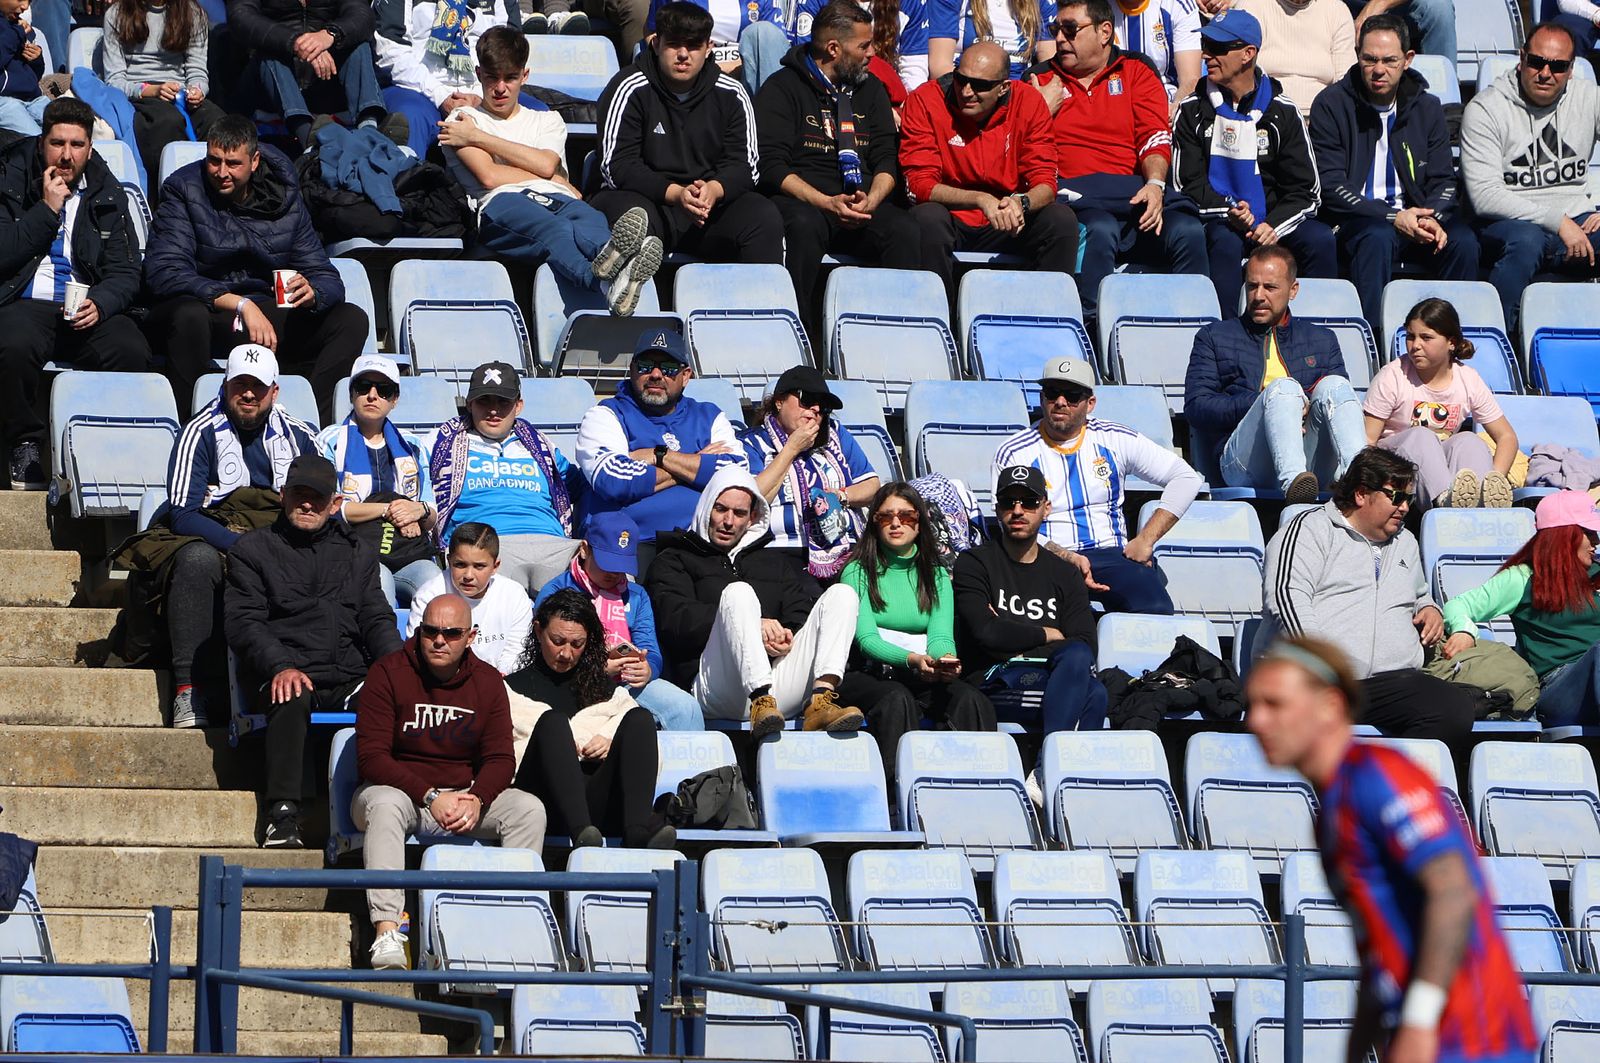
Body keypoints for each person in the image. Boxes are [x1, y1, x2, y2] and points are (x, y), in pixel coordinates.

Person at [1245, 636, 1537, 1063]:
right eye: (1253, 704)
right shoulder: (1331, 812)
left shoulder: (1378, 776)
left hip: (1473, 1041)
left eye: (1274, 704)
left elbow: (1454, 893)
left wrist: (1419, 1022)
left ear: (1328, 705)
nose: (1255, 721)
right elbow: (1378, 949)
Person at [354, 593, 546, 969]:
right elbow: (372, 758)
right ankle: (388, 930)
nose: (439, 640)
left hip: (462, 796)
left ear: (470, 637)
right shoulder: (388, 672)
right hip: (403, 795)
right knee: (384, 804)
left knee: (528, 809)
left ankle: (511, 929)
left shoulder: (488, 682)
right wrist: (428, 795)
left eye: (451, 633)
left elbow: (500, 758)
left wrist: (477, 798)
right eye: (431, 631)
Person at [226, 453, 403, 848]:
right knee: (290, 691)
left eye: (318, 498)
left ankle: (379, 808)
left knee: (389, 695)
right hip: (286, 669)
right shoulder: (251, 551)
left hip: (346, 674)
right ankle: (283, 815)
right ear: (283, 496)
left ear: (336, 504)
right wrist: (280, 665)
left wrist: (396, 669)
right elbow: (244, 622)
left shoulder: (358, 551)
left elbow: (376, 617)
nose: (308, 505)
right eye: (300, 496)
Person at [143, 115, 368, 424]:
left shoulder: (285, 197)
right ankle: (195, 426)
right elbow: (165, 272)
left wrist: (313, 292)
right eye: (214, 161)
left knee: (350, 319)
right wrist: (240, 304)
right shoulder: (182, 190)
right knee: (187, 316)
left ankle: (309, 421)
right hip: (208, 309)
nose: (221, 172)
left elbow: (326, 277)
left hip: (265, 314)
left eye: (233, 164)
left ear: (255, 160)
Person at [1258, 446, 1480, 744]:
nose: (1404, 508)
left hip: (1385, 684)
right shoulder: (1308, 530)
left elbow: (1418, 594)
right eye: (1396, 497)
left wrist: (1429, 609)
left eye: (1409, 499)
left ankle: (1394, 785)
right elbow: (1286, 598)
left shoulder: (1406, 542)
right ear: (1361, 494)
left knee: (1454, 708)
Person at [440, 26, 663, 317]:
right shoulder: (462, 120)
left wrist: (480, 138)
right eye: (492, 78)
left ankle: (621, 265)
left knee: (591, 219)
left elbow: (545, 162)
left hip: (558, 198)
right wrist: (554, 178)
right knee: (555, 228)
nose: (500, 88)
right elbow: (490, 177)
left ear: (525, 76)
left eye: (510, 78)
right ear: (479, 75)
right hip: (501, 202)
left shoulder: (546, 120)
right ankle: (606, 285)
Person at [161, 344, 318, 728]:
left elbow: (321, 503)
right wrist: (242, 547)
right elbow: (183, 514)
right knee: (195, 561)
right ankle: (189, 689)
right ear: (226, 385)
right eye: (240, 384)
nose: (248, 394)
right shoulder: (198, 432)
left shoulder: (300, 435)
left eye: (258, 386)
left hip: (283, 536)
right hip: (219, 535)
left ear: (274, 392)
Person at [0, 97, 150, 491]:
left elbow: (125, 271)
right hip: (22, 298)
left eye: (77, 145)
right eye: (57, 143)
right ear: (41, 142)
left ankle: (104, 444)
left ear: (90, 147)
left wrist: (101, 303)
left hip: (83, 302)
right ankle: (25, 442)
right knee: (12, 343)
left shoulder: (106, 190)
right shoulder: (10, 176)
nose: (66, 156)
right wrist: (47, 210)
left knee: (130, 347)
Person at [646, 465, 865, 732]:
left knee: (843, 594)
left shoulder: (773, 561)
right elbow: (674, 622)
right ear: (706, 509)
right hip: (715, 686)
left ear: (752, 518)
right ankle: (760, 697)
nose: (729, 521)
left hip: (778, 687)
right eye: (721, 509)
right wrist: (753, 626)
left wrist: (784, 636)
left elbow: (800, 611)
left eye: (739, 513)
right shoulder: (673, 558)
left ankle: (821, 699)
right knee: (739, 593)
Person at [1026, 0, 1206, 322]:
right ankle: (1089, 332)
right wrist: (1038, 111)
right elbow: (1024, 155)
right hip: (1076, 203)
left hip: (1136, 198)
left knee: (1189, 230)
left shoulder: (1137, 69)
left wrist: (1154, 184)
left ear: (1104, 32)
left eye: (1071, 30)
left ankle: (1193, 330)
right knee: (1101, 227)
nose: (1060, 40)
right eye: (1056, 30)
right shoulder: (1038, 81)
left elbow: (1154, 136)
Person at [754, 2, 922, 347]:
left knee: (905, 229)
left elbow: (887, 159)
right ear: (834, 48)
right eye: (864, 46)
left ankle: (895, 338)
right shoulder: (782, 88)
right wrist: (826, 202)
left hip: (861, 201)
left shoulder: (871, 89)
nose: (872, 54)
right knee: (803, 225)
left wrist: (873, 199)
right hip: (806, 200)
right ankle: (800, 340)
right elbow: (772, 167)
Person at [1308, 14, 1480, 338]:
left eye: (1389, 60)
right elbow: (1331, 186)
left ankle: (1453, 341)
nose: (1378, 69)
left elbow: (1444, 181)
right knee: (1378, 237)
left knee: (1463, 242)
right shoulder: (1331, 105)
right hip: (1356, 219)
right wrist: (1392, 216)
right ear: (1358, 56)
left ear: (1408, 60)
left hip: (1417, 218)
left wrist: (1431, 217)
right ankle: (1371, 339)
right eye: (1369, 59)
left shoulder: (1427, 107)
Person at [993, 356, 1202, 613]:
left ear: (1090, 403)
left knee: (1155, 609)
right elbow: (1008, 520)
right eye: (1052, 393)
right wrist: (1068, 557)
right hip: (1045, 553)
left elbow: (1187, 478)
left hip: (1111, 554)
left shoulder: (1115, 438)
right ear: (1041, 398)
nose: (1060, 402)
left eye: (1071, 395)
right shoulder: (1015, 452)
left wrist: (1146, 539)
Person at [592, 2, 785, 267]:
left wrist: (714, 190)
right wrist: (676, 194)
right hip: (648, 200)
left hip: (707, 208)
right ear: (656, 44)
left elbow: (745, 166)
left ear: (709, 49)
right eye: (674, 45)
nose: (683, 54)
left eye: (694, 46)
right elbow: (617, 166)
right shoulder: (629, 87)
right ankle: (626, 296)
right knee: (631, 218)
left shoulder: (732, 94)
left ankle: (760, 307)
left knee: (762, 217)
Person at [1172, 9, 1338, 314]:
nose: (1207, 56)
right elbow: (1185, 184)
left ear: (1248, 54)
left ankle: (1317, 332)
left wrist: (1272, 226)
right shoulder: (1192, 110)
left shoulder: (1283, 112)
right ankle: (1222, 333)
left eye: (1218, 49)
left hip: (1274, 220)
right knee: (1224, 241)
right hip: (1219, 218)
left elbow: (1306, 191)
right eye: (1206, 46)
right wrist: (1230, 209)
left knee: (1320, 239)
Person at [900, 40, 1079, 301]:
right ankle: (937, 321)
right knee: (925, 218)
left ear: (1003, 88)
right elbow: (919, 185)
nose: (967, 91)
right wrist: (980, 200)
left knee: (1060, 221)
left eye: (981, 85)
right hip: (953, 217)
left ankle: (1045, 320)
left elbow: (1045, 182)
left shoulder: (1028, 102)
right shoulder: (925, 100)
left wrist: (1021, 203)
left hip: (1007, 219)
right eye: (960, 79)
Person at [1184, 245, 1365, 501]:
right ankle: (1294, 487)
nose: (1258, 296)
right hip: (1244, 462)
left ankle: (1362, 480)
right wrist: (1265, 401)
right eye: (1251, 286)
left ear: (1293, 290)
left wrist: (1302, 407)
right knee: (1283, 389)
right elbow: (1197, 407)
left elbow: (1335, 409)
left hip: (1309, 457)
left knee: (1335, 385)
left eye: (1270, 287)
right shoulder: (1214, 337)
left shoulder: (1322, 340)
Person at [841, 482, 997, 775]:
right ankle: (895, 797)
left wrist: (945, 661)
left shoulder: (936, 574)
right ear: (874, 523)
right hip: (868, 672)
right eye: (885, 516)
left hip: (920, 672)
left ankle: (979, 786)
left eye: (907, 516)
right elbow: (866, 639)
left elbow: (939, 637)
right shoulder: (857, 571)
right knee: (896, 700)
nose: (896, 523)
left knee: (971, 701)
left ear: (920, 523)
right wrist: (912, 659)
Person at [1460, 21, 1600, 336]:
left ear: (1571, 68)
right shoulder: (1486, 109)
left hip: (1578, 220)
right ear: (1521, 58)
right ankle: (1495, 341)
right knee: (1528, 242)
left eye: (1558, 66)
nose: (1546, 73)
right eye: (1537, 62)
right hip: (1507, 222)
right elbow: (1485, 197)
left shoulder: (1588, 99)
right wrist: (1559, 222)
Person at [507, 589, 675, 849]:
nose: (566, 653)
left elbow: (649, 752)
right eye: (557, 640)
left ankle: (638, 833)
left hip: (597, 802)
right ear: (539, 631)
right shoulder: (509, 689)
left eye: (577, 644)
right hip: (541, 801)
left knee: (640, 718)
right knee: (553, 723)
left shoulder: (604, 689)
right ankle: (582, 836)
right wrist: (566, 743)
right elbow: (506, 756)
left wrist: (611, 742)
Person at [954, 466, 1104, 733]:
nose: (1018, 510)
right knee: (1092, 695)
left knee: (1083, 667)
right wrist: (1049, 634)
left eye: (1029, 502)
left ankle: (1048, 765)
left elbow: (1084, 643)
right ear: (998, 508)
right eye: (1009, 502)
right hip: (994, 680)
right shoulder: (974, 563)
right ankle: (1052, 767)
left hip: (1053, 676)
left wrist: (1012, 640)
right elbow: (986, 634)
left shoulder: (1065, 574)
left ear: (1046, 508)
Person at [576, 328, 747, 550]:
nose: (656, 375)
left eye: (668, 368)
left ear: (686, 376)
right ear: (632, 370)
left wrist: (658, 456)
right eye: (646, 366)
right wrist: (696, 464)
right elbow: (613, 480)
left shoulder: (709, 416)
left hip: (700, 544)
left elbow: (738, 472)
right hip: (626, 547)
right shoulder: (606, 414)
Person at [1441, 491, 1600, 727]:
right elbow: (1458, 605)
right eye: (1588, 533)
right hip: (1555, 687)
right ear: (1565, 535)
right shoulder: (1522, 578)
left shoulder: (1597, 573)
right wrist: (1464, 630)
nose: (1596, 542)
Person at [535, 512, 706, 730]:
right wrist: (594, 669)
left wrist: (648, 669)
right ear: (585, 550)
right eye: (607, 563)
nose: (615, 573)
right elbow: (544, 654)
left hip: (626, 682)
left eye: (621, 565)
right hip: (570, 682)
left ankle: (689, 766)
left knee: (685, 708)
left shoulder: (636, 595)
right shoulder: (556, 591)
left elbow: (650, 648)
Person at [430, 360, 585, 593]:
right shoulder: (442, 443)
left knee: (614, 578)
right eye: (484, 401)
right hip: (485, 548)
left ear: (518, 405)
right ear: (469, 404)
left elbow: (584, 486)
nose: (494, 410)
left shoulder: (541, 445)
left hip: (553, 545)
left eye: (503, 401)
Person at [1364, 298, 1518, 510]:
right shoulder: (1392, 375)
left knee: (1469, 440)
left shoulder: (1468, 378)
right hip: (1395, 468)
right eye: (1410, 336)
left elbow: (1506, 436)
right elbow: (1368, 440)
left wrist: (1497, 476)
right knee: (1422, 435)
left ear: (1451, 342)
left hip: (1436, 463)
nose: (1415, 345)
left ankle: (1485, 500)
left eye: (1426, 337)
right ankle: (1443, 499)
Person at [316, 354, 439, 607]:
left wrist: (419, 510)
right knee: (378, 580)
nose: (372, 396)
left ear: (394, 400)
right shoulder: (329, 441)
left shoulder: (413, 446)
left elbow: (430, 514)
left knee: (434, 582)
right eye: (364, 388)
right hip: (354, 549)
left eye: (383, 390)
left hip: (407, 552)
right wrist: (393, 511)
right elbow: (332, 508)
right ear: (352, 395)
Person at [739, 364, 881, 581]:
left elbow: (872, 486)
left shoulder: (836, 435)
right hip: (779, 549)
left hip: (846, 549)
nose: (815, 409)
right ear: (779, 402)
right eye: (806, 400)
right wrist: (791, 449)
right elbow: (754, 499)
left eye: (823, 406)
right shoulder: (752, 442)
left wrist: (840, 496)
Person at [229, 0, 399, 150]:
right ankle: (307, 139)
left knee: (358, 46)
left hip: (325, 79)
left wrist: (330, 34)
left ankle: (369, 129)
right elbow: (241, 17)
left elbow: (363, 15)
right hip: (271, 85)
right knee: (268, 51)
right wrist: (296, 42)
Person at [373, 0, 521, 158]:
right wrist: (440, 95)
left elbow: (511, 52)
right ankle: (406, 177)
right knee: (408, 119)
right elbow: (389, 53)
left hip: (484, 89)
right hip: (418, 89)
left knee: (537, 114)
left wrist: (481, 96)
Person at [102, 0, 225, 181]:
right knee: (168, 122)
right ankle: (166, 191)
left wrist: (197, 90)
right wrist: (149, 90)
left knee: (218, 122)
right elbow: (114, 80)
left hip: (180, 93)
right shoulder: (117, 13)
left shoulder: (193, 13)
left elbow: (197, 70)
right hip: (139, 94)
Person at [407, 522, 533, 675]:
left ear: (495, 566)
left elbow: (516, 651)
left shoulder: (514, 595)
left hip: (500, 682)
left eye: (479, 566)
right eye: (460, 565)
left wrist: (495, 680)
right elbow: (420, 649)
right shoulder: (429, 595)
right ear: (448, 561)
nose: (468, 575)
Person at [1233, 0, 1354, 117]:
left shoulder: (1337, 11)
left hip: (1321, 116)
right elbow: (1238, 72)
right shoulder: (1252, 5)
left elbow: (1345, 82)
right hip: (1265, 113)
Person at [648, 0, 790, 97]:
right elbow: (653, 31)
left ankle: (771, 125)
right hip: (693, 66)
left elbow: (772, 47)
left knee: (765, 31)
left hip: (747, 68)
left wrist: (732, 67)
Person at [790, 0, 933, 91]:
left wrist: (902, 110)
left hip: (887, 93)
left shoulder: (911, 3)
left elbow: (914, 75)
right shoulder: (815, 2)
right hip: (828, 89)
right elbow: (811, 63)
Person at [1107, 0, 1201, 114]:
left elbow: (1190, 80)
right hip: (1113, 103)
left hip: (1166, 104)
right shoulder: (1094, 7)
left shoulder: (1178, 5)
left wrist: (1175, 109)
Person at [927, 0, 1056, 81]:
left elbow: (1049, 64)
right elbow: (939, 67)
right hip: (969, 87)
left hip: (1021, 90)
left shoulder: (1041, 2)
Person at [0, 0, 44, 135]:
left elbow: (35, 76)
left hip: (34, 99)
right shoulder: (16, 30)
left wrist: (36, 59)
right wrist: (17, 32)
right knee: (37, 140)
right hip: (5, 103)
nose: (25, 6)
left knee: (70, 129)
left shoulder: (18, 26)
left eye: (29, 1)